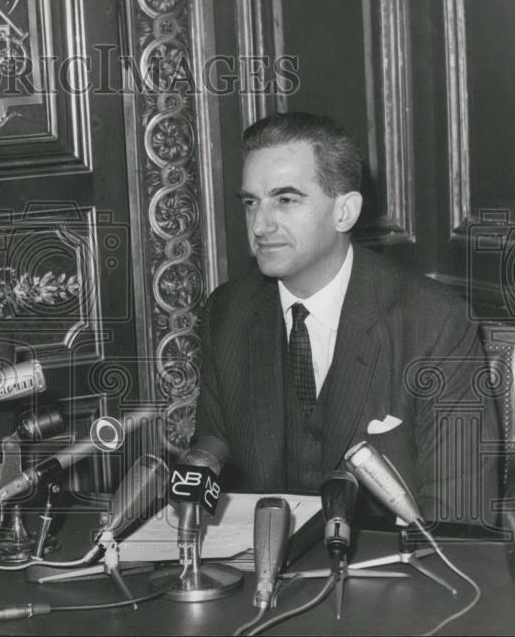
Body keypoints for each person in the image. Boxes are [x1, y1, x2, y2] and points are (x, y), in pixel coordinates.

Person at [195, 112, 499, 525]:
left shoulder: (435, 321)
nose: (260, 225)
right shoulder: (226, 313)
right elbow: (206, 465)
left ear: (345, 212)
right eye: (251, 202)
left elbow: (462, 520)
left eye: (285, 199)